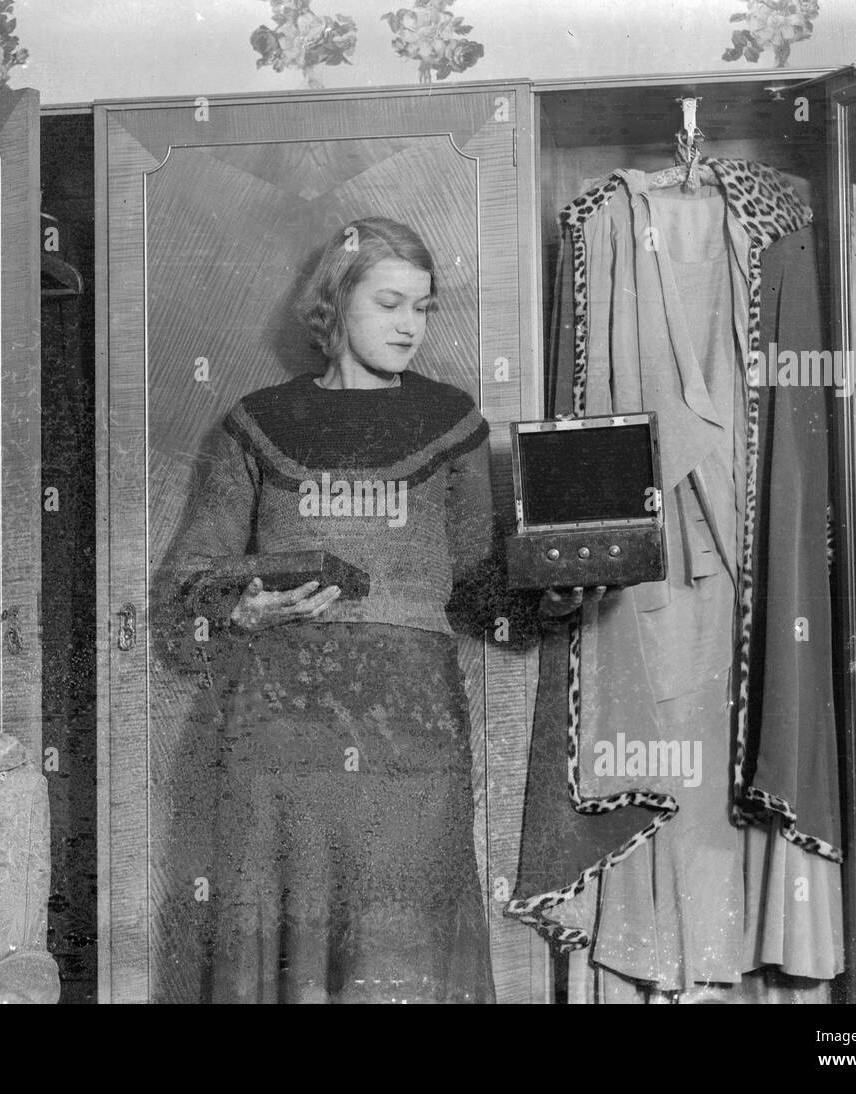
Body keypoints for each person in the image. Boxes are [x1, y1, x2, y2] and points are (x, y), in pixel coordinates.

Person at [159, 215, 581, 1003]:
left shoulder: (451, 422)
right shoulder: (255, 423)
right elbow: (189, 588)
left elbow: (480, 591)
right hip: (280, 735)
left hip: (411, 735)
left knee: (403, 953)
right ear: (335, 301)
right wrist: (245, 608)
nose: (410, 327)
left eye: (422, 308)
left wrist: (552, 590)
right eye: (390, 304)